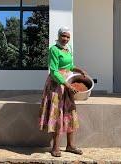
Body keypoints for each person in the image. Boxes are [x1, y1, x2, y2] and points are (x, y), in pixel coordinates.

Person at [38, 27, 88, 157]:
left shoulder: (67, 49)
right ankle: (55, 147)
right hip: (56, 85)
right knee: (57, 114)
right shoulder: (54, 49)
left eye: (67, 37)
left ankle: (70, 145)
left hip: (68, 84)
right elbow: (54, 71)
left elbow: (69, 66)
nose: (65, 39)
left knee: (70, 113)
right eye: (63, 36)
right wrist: (66, 84)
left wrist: (79, 70)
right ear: (59, 36)